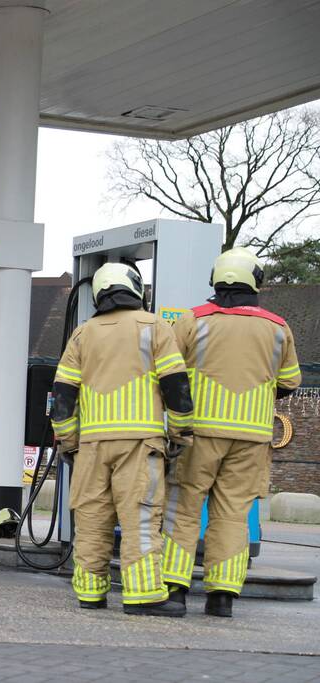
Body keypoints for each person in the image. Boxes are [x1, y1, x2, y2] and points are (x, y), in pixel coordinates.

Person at [162, 247, 301, 617]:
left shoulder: (193, 320)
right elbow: (289, 382)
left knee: (184, 507)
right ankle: (221, 596)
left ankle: (175, 590)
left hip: (199, 433)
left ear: (216, 279)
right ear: (254, 282)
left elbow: (169, 374)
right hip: (252, 436)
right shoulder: (277, 327)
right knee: (233, 514)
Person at [50, 262, 194, 616]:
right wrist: (179, 433)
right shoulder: (155, 327)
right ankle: (144, 594)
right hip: (139, 443)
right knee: (141, 518)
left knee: (92, 518)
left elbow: (63, 395)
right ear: (135, 288)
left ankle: (90, 592)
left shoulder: (82, 334)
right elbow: (177, 387)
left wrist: (68, 442)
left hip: (92, 446)